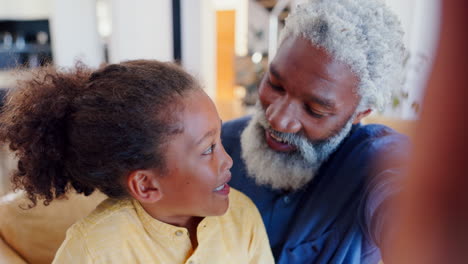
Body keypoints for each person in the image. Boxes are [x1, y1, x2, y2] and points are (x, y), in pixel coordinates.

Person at [0, 60, 274, 263]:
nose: (228, 160)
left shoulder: (243, 217)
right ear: (145, 185)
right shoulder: (91, 251)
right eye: (208, 149)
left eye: (220, 139)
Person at [221, 0, 409, 263]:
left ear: (358, 114)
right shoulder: (217, 146)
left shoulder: (377, 163)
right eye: (275, 85)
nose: (278, 119)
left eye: (314, 110)